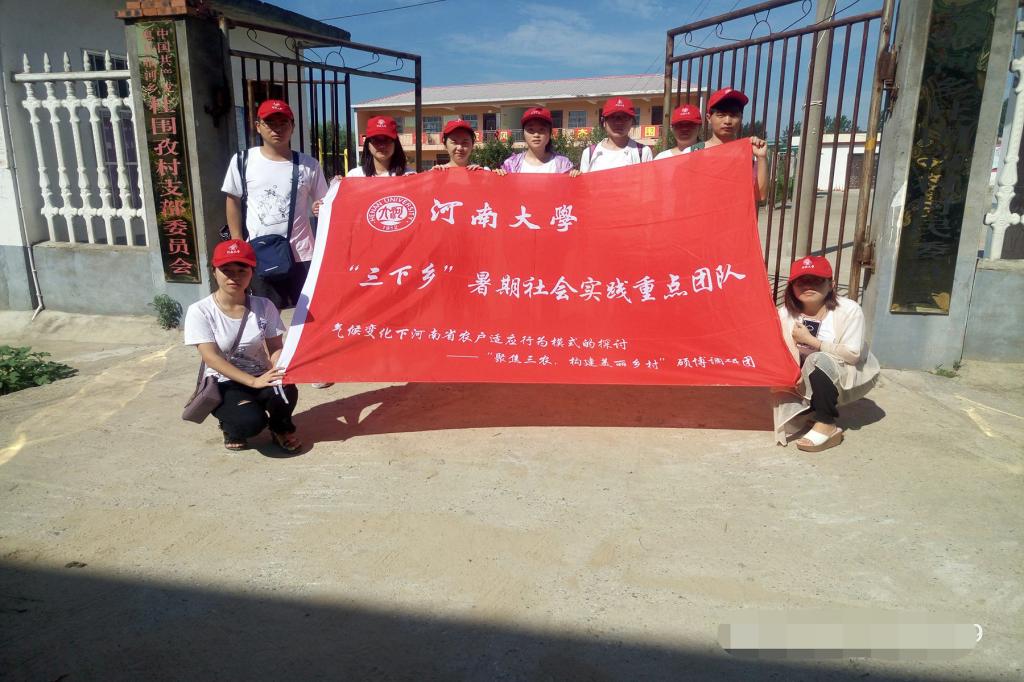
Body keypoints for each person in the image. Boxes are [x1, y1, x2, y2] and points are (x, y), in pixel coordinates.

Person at [183, 239, 301, 453]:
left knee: (286, 388)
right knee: (250, 422)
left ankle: (281, 428)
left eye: (241, 270)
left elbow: (275, 346)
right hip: (225, 382)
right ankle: (231, 428)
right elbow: (211, 357)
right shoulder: (200, 311)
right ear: (214, 271)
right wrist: (253, 382)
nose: (234, 276)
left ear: (252, 272)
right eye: (226, 270)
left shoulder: (264, 306)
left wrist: (280, 367)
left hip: (261, 374)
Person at [222, 99, 328, 310]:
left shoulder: (309, 165)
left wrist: (319, 207)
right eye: (270, 123)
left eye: (283, 123)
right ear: (258, 126)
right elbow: (232, 200)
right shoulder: (242, 161)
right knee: (264, 315)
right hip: (260, 254)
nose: (277, 128)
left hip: (301, 255)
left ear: (292, 127)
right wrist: (238, 241)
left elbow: (325, 203)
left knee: (307, 315)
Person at [773, 256, 880, 451]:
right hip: (804, 373)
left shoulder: (849, 310)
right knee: (789, 398)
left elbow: (852, 355)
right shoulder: (785, 314)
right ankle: (812, 409)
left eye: (816, 280)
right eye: (801, 282)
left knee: (818, 359)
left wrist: (811, 341)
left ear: (831, 284)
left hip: (848, 371)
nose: (808, 286)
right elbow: (780, 352)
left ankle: (826, 423)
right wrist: (790, 373)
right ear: (791, 287)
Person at [702, 87, 769, 201]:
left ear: (741, 118)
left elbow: (760, 195)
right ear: (709, 118)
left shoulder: (749, 154)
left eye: (733, 115)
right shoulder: (693, 152)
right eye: (721, 115)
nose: (727, 121)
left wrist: (761, 157)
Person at [579, 97, 653, 173]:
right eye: (612, 117)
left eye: (624, 117)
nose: (618, 122)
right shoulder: (589, 154)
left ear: (632, 122)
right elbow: (584, 180)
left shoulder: (644, 152)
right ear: (604, 122)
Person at [494, 107, 576, 176]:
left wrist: (576, 176)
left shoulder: (563, 164)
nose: (536, 134)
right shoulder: (511, 164)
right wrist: (496, 176)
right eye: (531, 129)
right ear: (523, 134)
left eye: (542, 129)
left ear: (550, 134)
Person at [347, 115, 415, 177]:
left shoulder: (409, 176)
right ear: (368, 145)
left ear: (395, 144)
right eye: (375, 140)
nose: (382, 145)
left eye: (387, 139)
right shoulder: (354, 176)